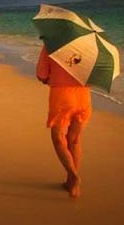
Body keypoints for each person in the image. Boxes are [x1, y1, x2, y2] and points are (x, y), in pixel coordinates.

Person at [36, 45, 92, 198]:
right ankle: (70, 183)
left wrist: (50, 78)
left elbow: (41, 74)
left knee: (58, 139)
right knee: (74, 140)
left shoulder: (51, 43)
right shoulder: (89, 48)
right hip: (83, 96)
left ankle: (73, 175)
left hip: (62, 96)